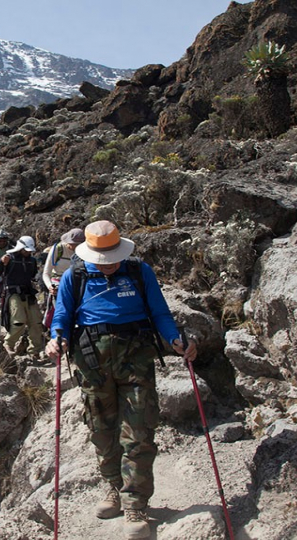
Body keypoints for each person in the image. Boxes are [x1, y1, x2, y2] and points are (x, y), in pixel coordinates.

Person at [45, 220, 197, 540]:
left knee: (139, 429)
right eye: (102, 258)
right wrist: (56, 337)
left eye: (113, 256)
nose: (108, 263)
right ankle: (113, 485)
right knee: (101, 429)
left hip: (136, 357)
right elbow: (62, 315)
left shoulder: (140, 273)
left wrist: (175, 339)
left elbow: (160, 313)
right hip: (91, 359)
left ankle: (135, 503)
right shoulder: (76, 276)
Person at [0, 235, 44, 357]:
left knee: (36, 322)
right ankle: (8, 344)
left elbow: (34, 276)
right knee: (19, 320)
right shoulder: (9, 258)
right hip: (13, 292)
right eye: (26, 250)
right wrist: (1, 263)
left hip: (28, 292)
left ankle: (35, 350)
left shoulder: (31, 261)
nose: (28, 252)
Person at [41, 228, 84, 328]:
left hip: (76, 282)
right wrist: (50, 287)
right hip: (58, 282)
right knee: (62, 309)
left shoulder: (84, 251)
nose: (74, 246)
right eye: (73, 243)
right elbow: (46, 273)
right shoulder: (58, 249)